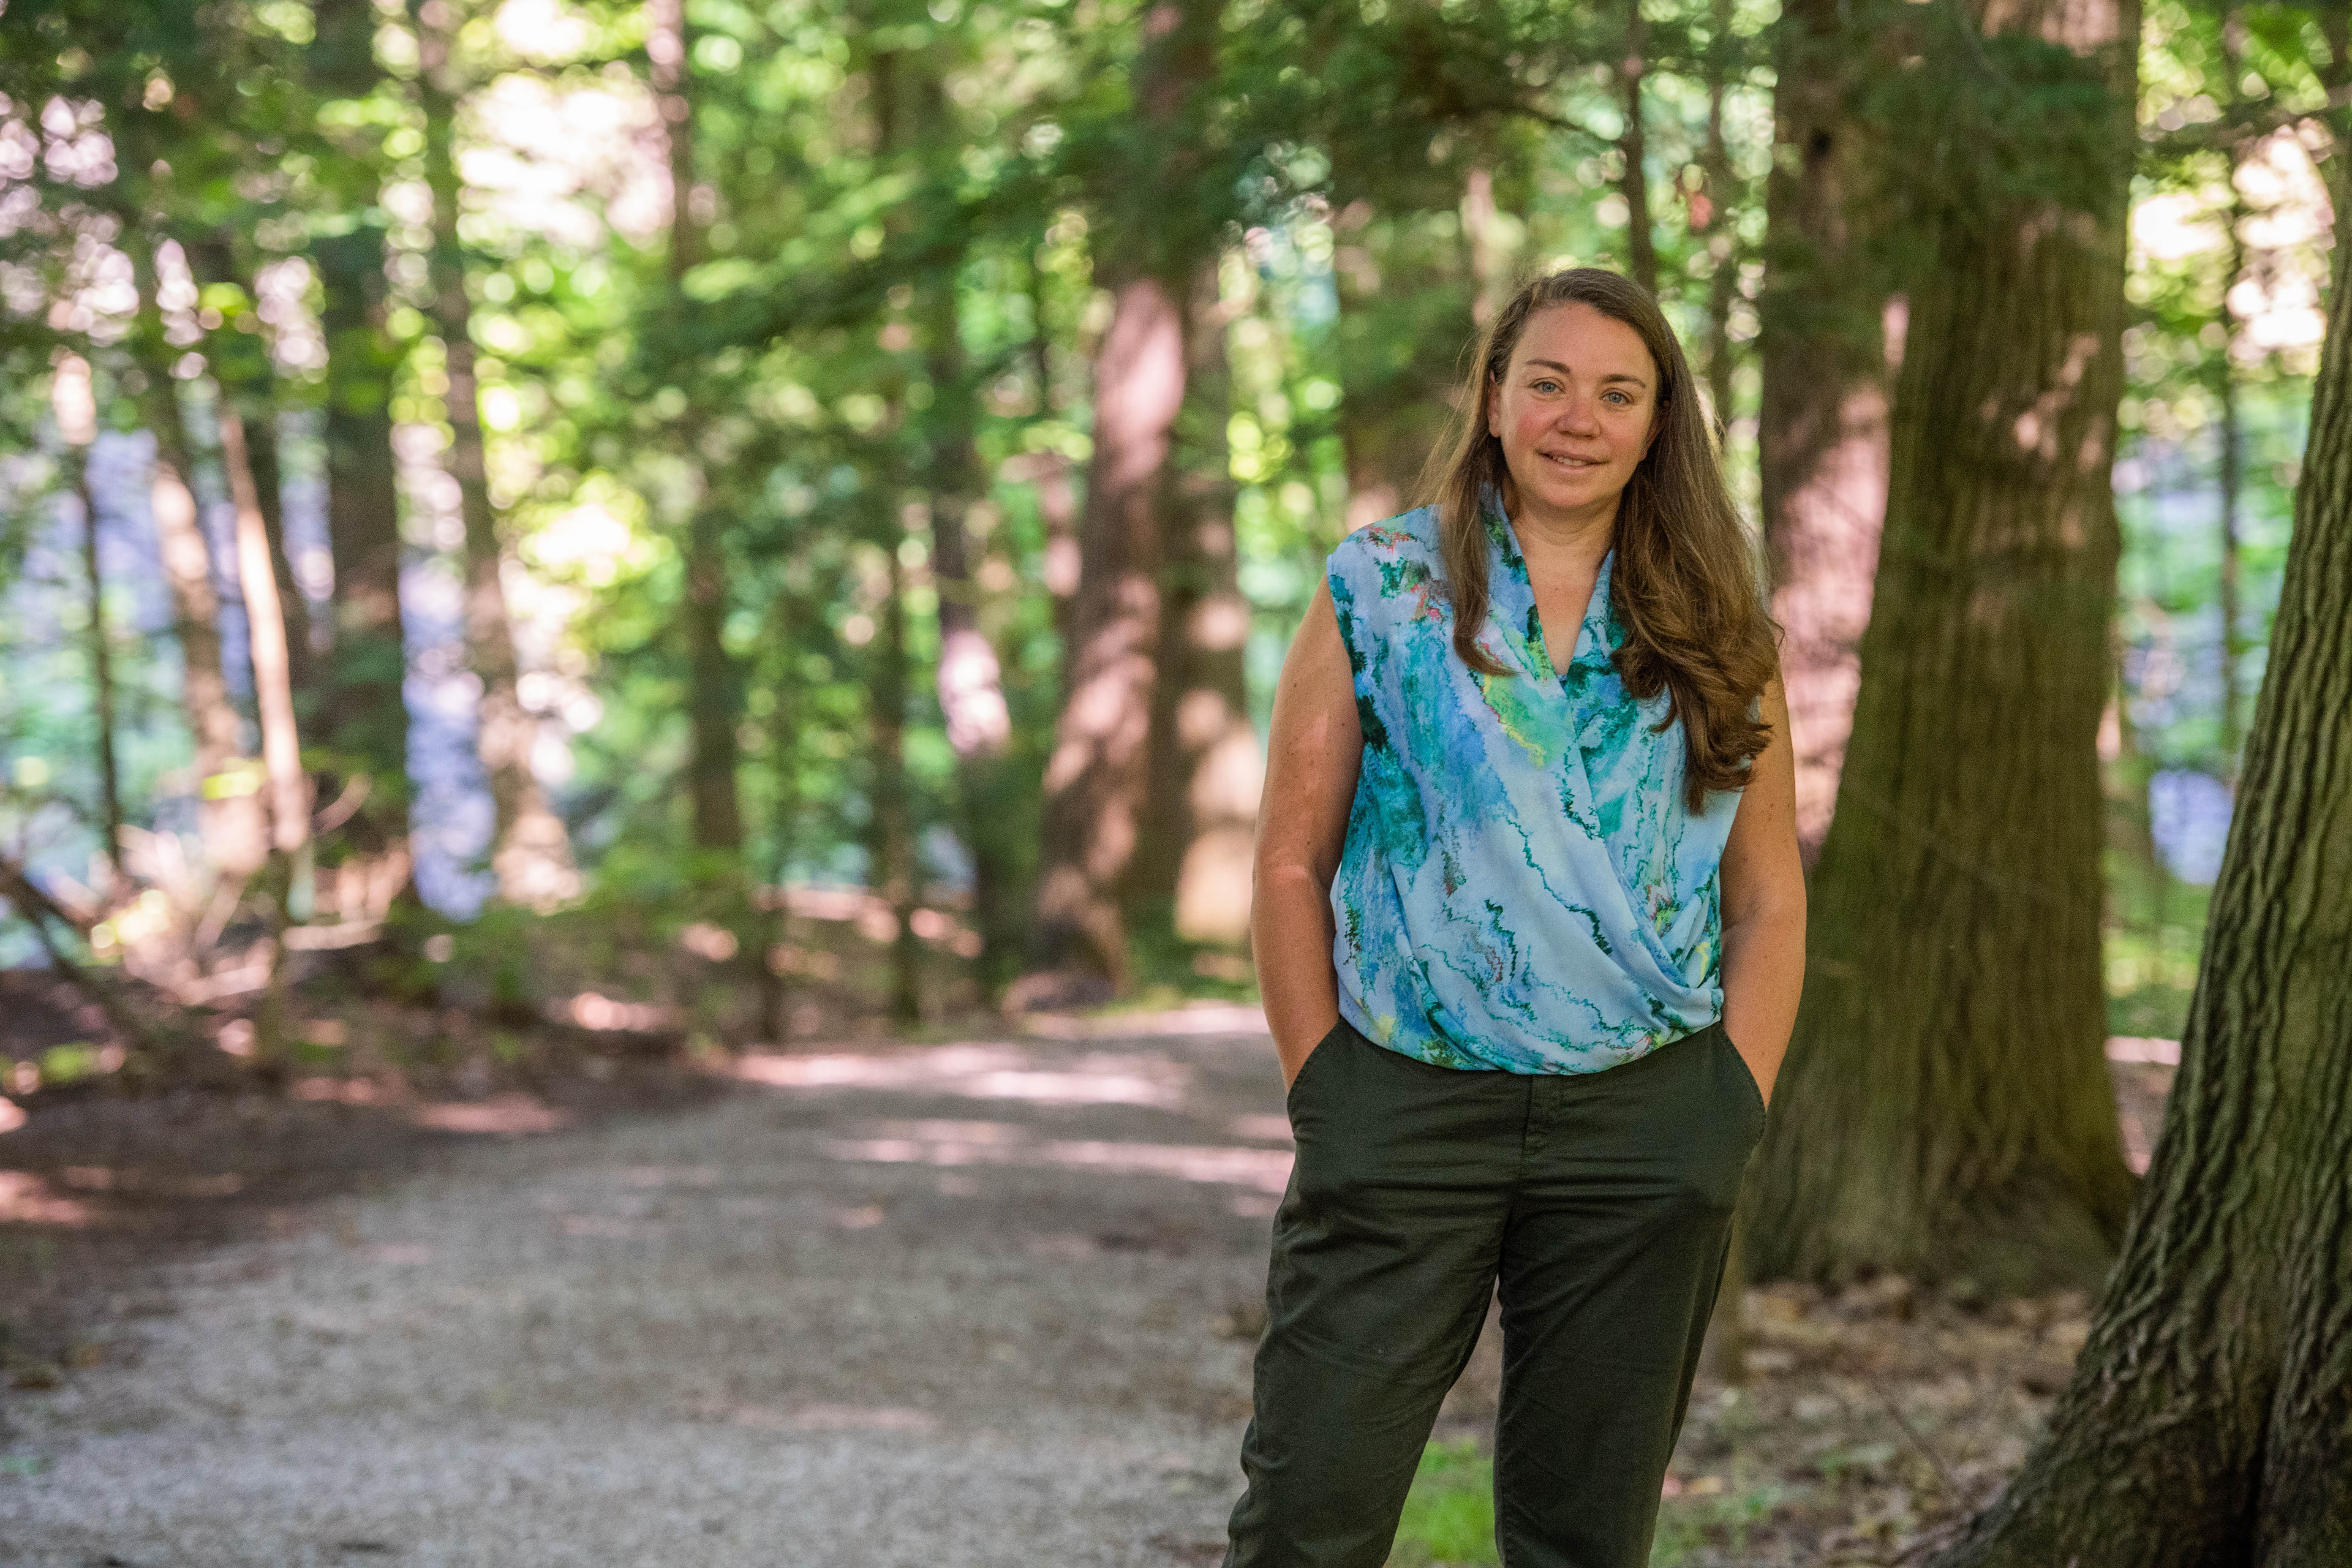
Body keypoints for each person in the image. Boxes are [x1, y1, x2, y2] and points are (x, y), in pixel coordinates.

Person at [1222, 266, 1806, 1568]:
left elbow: (1767, 892)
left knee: (1583, 1538)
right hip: (1406, 1102)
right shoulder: (1382, 585)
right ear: (1493, 399)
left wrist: (1731, 1108)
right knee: (1308, 1510)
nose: (1576, 418)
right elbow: (1287, 860)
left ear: (1661, 426)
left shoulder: (1715, 621)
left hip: (1644, 1119)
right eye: (1545, 382)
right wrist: (1328, 1090)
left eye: (1617, 393)